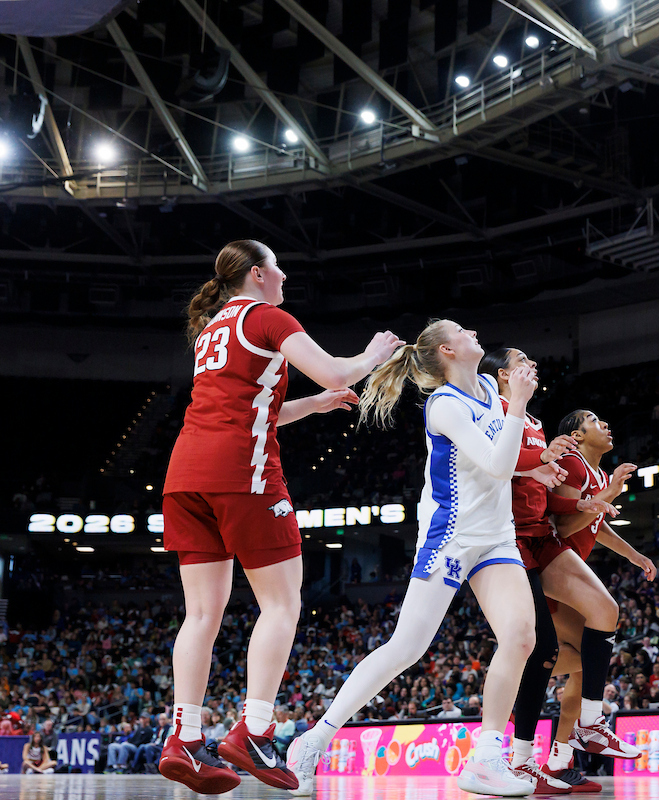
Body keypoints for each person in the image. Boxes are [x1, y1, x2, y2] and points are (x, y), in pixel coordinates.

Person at [160, 240, 400, 795]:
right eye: (277, 265)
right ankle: (256, 728)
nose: (285, 272)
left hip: (185, 474)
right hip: (240, 476)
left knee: (201, 616)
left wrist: (312, 408)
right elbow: (335, 371)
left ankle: (185, 737)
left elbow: (250, 409)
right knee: (282, 602)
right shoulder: (268, 316)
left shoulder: (214, 327)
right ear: (257, 274)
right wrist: (372, 354)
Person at [287, 319, 539, 798]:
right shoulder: (444, 405)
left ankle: (487, 756)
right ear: (448, 348)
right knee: (407, 648)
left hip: (496, 538)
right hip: (451, 536)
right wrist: (521, 406)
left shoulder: (487, 383)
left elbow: (511, 455)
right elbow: (498, 464)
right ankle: (314, 739)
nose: (473, 332)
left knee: (521, 636)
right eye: (464, 330)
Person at [479, 349, 637, 794]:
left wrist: (589, 506)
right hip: (515, 541)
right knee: (552, 648)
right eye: (521, 359)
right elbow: (517, 478)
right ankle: (542, 751)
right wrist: (590, 498)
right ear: (503, 375)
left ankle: (573, 740)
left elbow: (558, 504)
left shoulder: (536, 424)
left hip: (542, 539)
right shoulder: (496, 414)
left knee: (584, 635)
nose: (533, 362)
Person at [543, 409, 657, 780]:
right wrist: (607, 495)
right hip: (551, 565)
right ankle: (512, 681)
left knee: (582, 664)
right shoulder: (571, 463)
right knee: (588, 652)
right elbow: (565, 522)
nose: (606, 424)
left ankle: (559, 763)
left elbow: (597, 523)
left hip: (569, 569)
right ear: (576, 434)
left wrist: (634, 554)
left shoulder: (600, 474)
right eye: (594, 420)